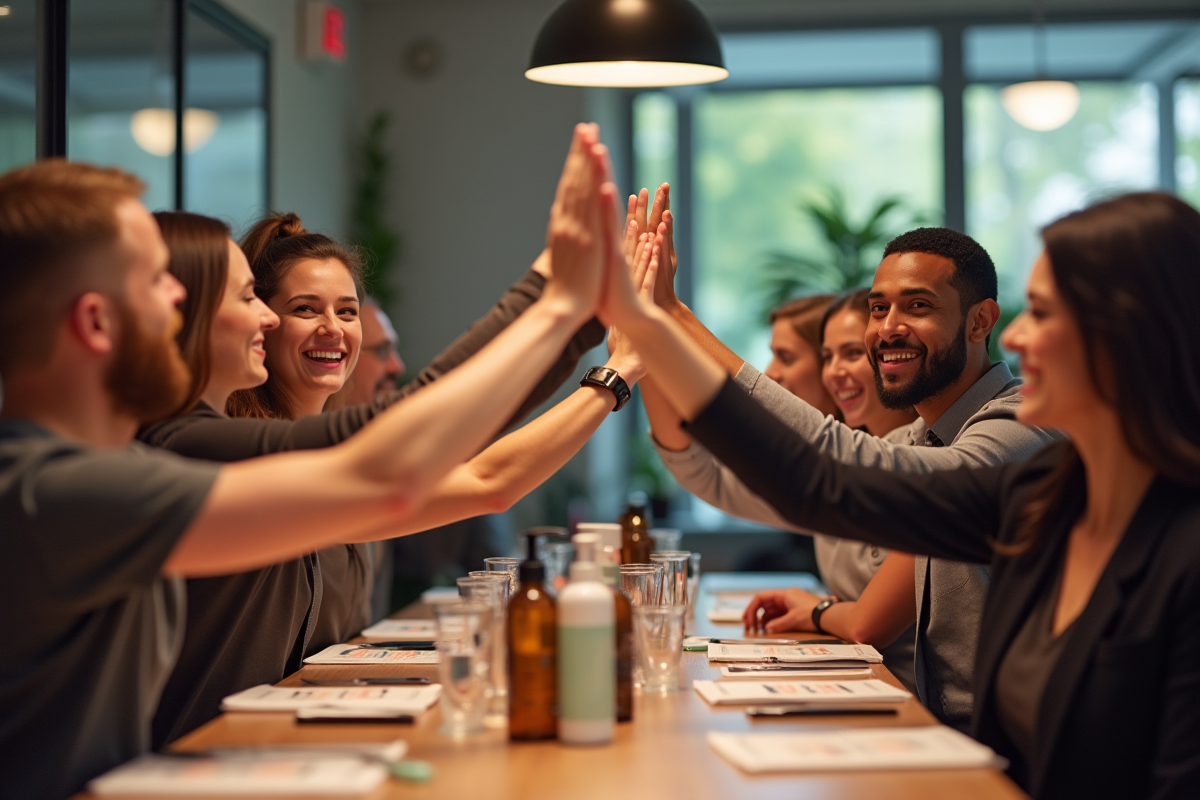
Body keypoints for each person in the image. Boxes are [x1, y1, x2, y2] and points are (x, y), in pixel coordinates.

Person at [0, 127, 612, 799]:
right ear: (95, 324)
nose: (179, 299)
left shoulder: (91, 475)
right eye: (155, 283)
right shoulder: (60, 490)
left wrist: (568, 316)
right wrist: (555, 302)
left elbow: (414, 469)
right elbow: (382, 467)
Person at [600, 169, 1200, 797]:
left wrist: (668, 323)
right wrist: (660, 326)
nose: (1017, 337)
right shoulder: (1049, 491)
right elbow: (823, 481)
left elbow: (840, 470)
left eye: (1043, 314)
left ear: (1128, 334)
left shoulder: (1042, 462)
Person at [141, 137, 655, 747]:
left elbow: (486, 478)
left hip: (265, 751)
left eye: (348, 311)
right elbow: (408, 439)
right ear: (183, 314)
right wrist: (557, 301)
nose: (267, 318)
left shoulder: (241, 446)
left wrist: (610, 362)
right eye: (252, 298)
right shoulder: (196, 447)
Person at [639, 184, 1053, 729]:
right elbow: (760, 477)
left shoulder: (1021, 423)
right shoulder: (918, 439)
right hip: (942, 730)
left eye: (918, 306)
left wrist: (671, 319)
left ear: (981, 322)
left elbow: (846, 469)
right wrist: (646, 340)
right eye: (878, 309)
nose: (887, 328)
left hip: (1015, 748)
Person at [739, 290, 923, 684]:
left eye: (853, 353)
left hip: (909, 694)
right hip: (868, 678)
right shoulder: (839, 463)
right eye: (827, 357)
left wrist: (818, 609)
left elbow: (866, 625)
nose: (835, 371)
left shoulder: (925, 460)